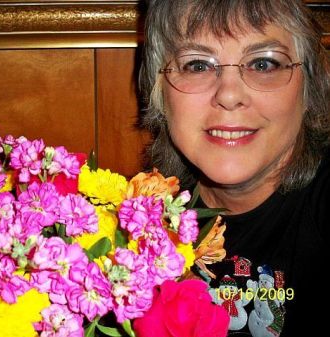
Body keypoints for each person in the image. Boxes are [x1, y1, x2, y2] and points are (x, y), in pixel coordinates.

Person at [140, 0, 329, 336]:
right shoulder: (133, 225)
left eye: (263, 63)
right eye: (198, 65)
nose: (229, 95)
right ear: (159, 95)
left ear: (309, 90)